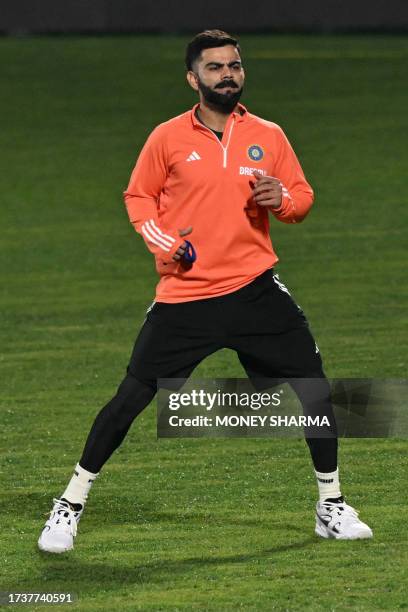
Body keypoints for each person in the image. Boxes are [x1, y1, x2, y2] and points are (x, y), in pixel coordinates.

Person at [38, 29, 372, 553]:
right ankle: (69, 504)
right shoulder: (167, 137)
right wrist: (165, 244)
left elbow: (301, 199)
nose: (228, 75)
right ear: (194, 78)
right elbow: (138, 197)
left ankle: (330, 505)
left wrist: (281, 198)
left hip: (256, 290)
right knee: (132, 396)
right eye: (215, 68)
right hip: (187, 296)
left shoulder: (269, 134)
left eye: (234, 65)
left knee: (314, 387)